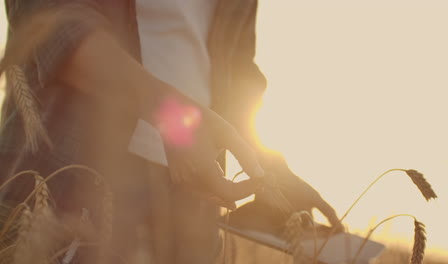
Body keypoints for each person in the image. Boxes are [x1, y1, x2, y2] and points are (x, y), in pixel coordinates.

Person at [0, 0, 343, 263]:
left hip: (197, 197)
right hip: (73, 174)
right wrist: (171, 116)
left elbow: (236, 66)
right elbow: (48, 17)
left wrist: (267, 169)